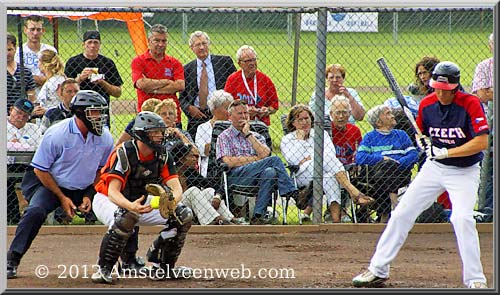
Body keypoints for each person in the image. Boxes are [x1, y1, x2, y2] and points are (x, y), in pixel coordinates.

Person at [352, 61, 490, 289]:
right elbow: (422, 134)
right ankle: (377, 270)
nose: (440, 94)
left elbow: (482, 141)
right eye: (436, 88)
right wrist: (424, 145)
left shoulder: (470, 104)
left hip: (464, 171)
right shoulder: (427, 105)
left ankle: (475, 279)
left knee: (462, 219)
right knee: (402, 213)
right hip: (434, 168)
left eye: (445, 90)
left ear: (456, 88)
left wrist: (447, 151)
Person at [6, 90, 114, 279]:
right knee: (35, 211)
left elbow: (101, 171)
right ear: (81, 113)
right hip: (52, 185)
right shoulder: (57, 134)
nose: (100, 117)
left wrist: (89, 194)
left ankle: (128, 260)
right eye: (95, 112)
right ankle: (11, 260)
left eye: (101, 112)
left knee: (120, 212)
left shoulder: (105, 137)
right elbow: (40, 170)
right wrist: (62, 198)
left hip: (86, 186)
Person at [91, 111, 192, 284]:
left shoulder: (163, 155)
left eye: (161, 131)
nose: (160, 136)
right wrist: (130, 207)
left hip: (140, 201)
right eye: (155, 132)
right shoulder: (124, 153)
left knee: (183, 215)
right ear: (141, 133)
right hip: (107, 199)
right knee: (125, 217)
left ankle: (165, 267)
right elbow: (113, 192)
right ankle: (104, 268)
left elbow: (177, 188)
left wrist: (171, 201)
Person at [280, 104, 373, 223]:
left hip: (326, 170)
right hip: (303, 174)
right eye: (300, 119)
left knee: (329, 177)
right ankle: (355, 193)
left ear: (311, 119)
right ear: (293, 123)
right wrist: (302, 140)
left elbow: (330, 153)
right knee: (326, 161)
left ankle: (335, 220)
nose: (304, 122)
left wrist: (309, 158)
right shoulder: (288, 139)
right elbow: (293, 160)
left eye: (306, 118)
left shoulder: (320, 133)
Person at [216, 100, 302, 225]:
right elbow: (228, 162)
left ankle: (257, 216)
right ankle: (293, 193)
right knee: (275, 160)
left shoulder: (255, 135)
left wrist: (248, 135)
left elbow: (265, 154)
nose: (244, 116)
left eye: (246, 113)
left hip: (257, 176)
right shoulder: (224, 136)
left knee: (270, 171)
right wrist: (256, 159)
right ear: (230, 117)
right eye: (240, 114)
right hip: (236, 176)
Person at [355, 105, 419, 223]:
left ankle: (384, 213)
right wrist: (382, 158)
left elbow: (414, 154)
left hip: (400, 172)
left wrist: (397, 163)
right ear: (379, 122)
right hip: (377, 174)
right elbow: (360, 157)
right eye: (388, 113)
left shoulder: (401, 135)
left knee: (389, 167)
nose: (393, 116)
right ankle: (395, 204)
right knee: (385, 167)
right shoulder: (370, 137)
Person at [171, 142, 245, 225]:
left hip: (191, 208)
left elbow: (213, 185)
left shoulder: (190, 172)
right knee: (193, 190)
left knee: (209, 191)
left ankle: (230, 219)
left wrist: (218, 196)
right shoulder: (171, 172)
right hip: (176, 208)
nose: (195, 159)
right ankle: (215, 220)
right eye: (191, 156)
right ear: (181, 159)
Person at [179, 31, 237, 139]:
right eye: (197, 45)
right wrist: (189, 108)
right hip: (197, 115)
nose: (201, 47)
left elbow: (236, 85)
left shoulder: (224, 62)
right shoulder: (187, 69)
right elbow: (182, 97)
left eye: (204, 43)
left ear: (208, 44)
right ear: (191, 47)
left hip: (221, 112)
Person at [64, 30, 123, 126]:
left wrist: (102, 82)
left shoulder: (107, 63)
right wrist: (80, 79)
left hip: (101, 110)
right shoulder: (73, 62)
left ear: (100, 45)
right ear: (83, 44)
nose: (92, 46)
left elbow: (118, 92)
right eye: (89, 42)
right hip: (78, 109)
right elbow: (64, 89)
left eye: (96, 42)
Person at [132, 24, 185, 127]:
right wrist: (167, 82)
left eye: (164, 41)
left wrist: (153, 89)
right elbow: (141, 84)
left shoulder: (175, 63)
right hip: (147, 117)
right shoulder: (138, 61)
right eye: (156, 40)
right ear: (149, 41)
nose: (160, 44)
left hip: (171, 118)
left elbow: (180, 85)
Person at [7, 98, 43, 224]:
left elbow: (39, 148)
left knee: (41, 177)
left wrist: (17, 145)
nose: (21, 117)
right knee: (6, 180)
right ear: (11, 110)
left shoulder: (34, 128)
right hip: (7, 164)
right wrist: (24, 146)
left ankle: (34, 215)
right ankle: (13, 217)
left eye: (25, 115)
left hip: (28, 165)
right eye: (18, 112)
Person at [224, 45, 278, 126]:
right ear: (239, 63)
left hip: (260, 125)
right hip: (238, 124)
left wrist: (266, 111)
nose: (252, 63)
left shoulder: (265, 79)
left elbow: (274, 106)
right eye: (248, 61)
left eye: (254, 59)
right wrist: (244, 111)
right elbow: (226, 105)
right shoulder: (233, 79)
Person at [471, 33, 494, 212]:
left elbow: (489, 94)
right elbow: (482, 95)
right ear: (490, 46)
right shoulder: (484, 66)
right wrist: (488, 93)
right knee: (488, 169)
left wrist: (492, 91)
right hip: (489, 123)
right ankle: (487, 212)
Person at [14, 15, 57, 96]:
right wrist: (38, 79)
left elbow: (55, 74)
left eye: (38, 29)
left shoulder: (50, 50)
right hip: (26, 94)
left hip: (48, 94)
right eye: (32, 29)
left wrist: (32, 78)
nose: (35, 33)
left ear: (43, 30)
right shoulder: (18, 51)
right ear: (25, 30)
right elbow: (18, 75)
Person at [195, 90, 234, 177]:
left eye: (231, 109)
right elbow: (202, 151)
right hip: (209, 167)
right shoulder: (203, 128)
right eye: (227, 108)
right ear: (215, 109)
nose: (229, 112)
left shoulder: (233, 126)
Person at [7, 32, 36, 111]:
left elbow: (31, 96)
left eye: (9, 49)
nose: (6, 53)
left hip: (21, 114)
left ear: (15, 49)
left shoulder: (25, 72)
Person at [329, 95, 362, 166]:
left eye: (344, 112)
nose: (341, 116)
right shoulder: (327, 130)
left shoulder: (355, 130)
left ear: (349, 114)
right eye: (337, 113)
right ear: (331, 114)